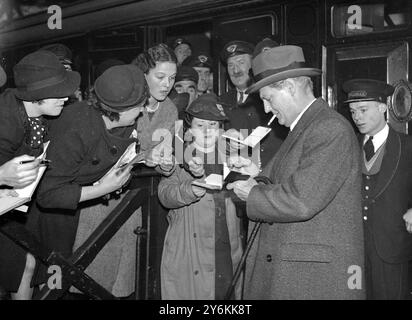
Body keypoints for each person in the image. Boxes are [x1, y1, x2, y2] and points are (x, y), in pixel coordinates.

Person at [227, 45, 365, 299]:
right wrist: (254, 171)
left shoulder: (329, 128)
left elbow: (301, 200)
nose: (266, 109)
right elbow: (284, 178)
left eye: (268, 99)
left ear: (289, 87)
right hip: (296, 270)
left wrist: (253, 194)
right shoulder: (306, 126)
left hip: (311, 278)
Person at [26, 64, 149, 293]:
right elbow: (48, 194)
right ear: (120, 109)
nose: (142, 111)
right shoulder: (76, 128)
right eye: (139, 106)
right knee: (54, 284)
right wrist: (103, 188)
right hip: (54, 213)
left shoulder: (119, 122)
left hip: (79, 208)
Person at [159, 93, 258, 300]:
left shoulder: (232, 155)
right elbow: (164, 194)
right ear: (190, 127)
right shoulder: (179, 153)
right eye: (200, 125)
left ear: (220, 128)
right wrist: (189, 190)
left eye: (212, 125)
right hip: (191, 248)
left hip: (227, 244)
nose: (206, 131)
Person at [0, 50, 80, 299]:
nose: (66, 98)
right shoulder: (5, 122)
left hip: (13, 209)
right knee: (24, 266)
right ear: (36, 95)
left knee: (27, 265)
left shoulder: (37, 116)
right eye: (59, 91)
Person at [343, 78, 412, 300]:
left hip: (392, 248)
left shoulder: (407, 145)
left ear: (383, 108)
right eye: (353, 111)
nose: (357, 117)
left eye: (363, 110)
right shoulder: (347, 145)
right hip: (353, 249)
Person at [220, 40, 286, 169]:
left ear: (253, 65)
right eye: (230, 65)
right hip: (236, 174)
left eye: (241, 62)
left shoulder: (269, 97)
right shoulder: (222, 101)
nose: (235, 70)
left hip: (270, 174)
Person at [132, 43, 178, 172]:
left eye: (172, 78)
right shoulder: (128, 106)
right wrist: (145, 156)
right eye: (160, 77)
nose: (167, 84)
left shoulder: (170, 110)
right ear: (144, 74)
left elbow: (166, 151)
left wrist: (167, 165)